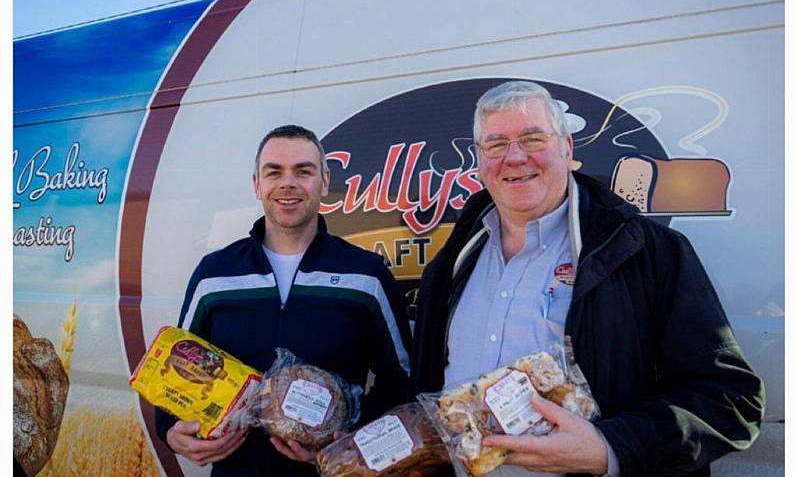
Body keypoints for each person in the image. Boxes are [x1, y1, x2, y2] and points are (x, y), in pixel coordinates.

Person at [409, 81, 764, 476]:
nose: (514, 157)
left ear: (567, 148)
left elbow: (730, 399)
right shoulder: (451, 264)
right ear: (479, 160)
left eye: (532, 138)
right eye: (496, 145)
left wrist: (610, 448)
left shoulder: (646, 252)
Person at [155, 124, 412, 477]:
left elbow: (402, 378)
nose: (287, 183)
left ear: (324, 181)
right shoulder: (214, 274)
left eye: (303, 171)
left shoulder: (366, 275)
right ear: (257, 185)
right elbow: (176, 367)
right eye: (274, 172)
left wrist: (347, 441)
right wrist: (169, 432)